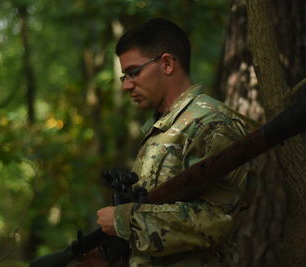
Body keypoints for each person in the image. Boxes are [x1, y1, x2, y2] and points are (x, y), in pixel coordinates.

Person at [94, 18, 250, 266]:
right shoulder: (162, 128)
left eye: (133, 72)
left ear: (166, 64)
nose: (126, 85)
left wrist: (125, 221)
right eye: (124, 76)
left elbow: (216, 221)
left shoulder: (211, 123)